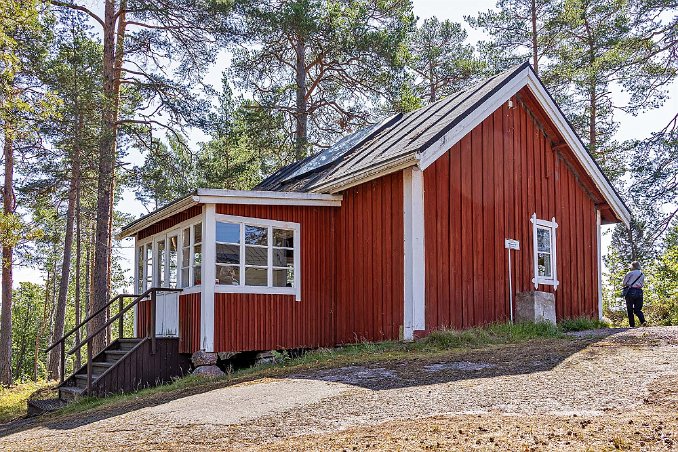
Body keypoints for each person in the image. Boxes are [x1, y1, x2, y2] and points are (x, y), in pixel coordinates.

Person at [622, 261, 646, 327]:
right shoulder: (642, 274)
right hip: (639, 292)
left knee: (630, 309)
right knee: (638, 309)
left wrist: (628, 284)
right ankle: (643, 321)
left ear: (633, 266)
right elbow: (642, 284)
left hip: (631, 291)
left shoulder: (630, 273)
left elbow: (624, 283)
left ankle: (632, 325)